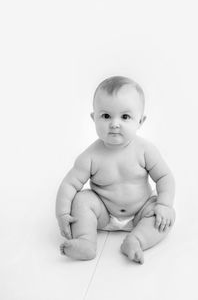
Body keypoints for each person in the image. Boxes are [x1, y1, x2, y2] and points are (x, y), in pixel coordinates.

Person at [56, 76, 175, 264]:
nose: (114, 123)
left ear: (140, 121)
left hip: (140, 211)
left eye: (125, 116)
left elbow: (164, 177)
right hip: (103, 214)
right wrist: (62, 213)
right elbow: (70, 184)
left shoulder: (145, 150)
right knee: (82, 199)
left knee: (166, 217)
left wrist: (164, 205)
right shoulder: (90, 156)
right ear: (93, 118)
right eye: (106, 116)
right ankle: (86, 241)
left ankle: (135, 240)